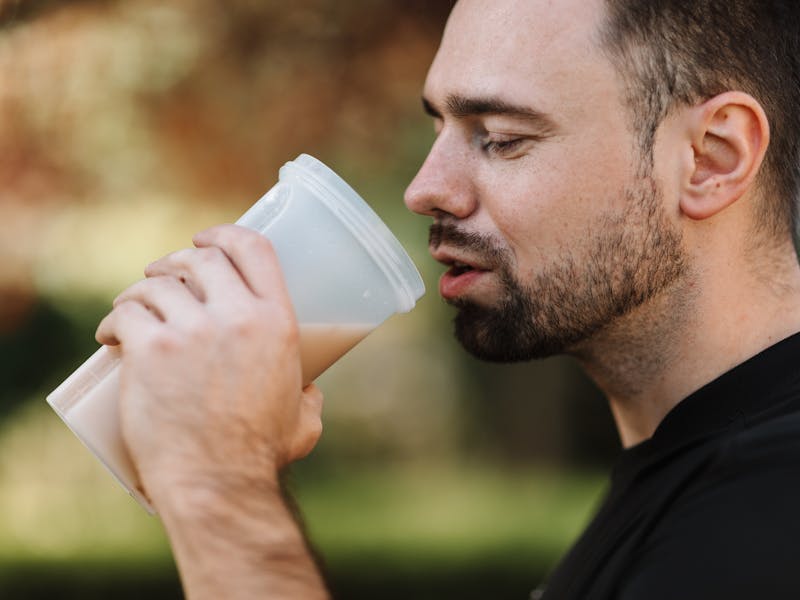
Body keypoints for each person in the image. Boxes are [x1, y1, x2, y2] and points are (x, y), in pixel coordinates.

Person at [95, 0, 800, 598]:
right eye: (440, 127)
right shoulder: (688, 471)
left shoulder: (773, 505)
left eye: (499, 139)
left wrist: (218, 486)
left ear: (713, 158)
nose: (426, 188)